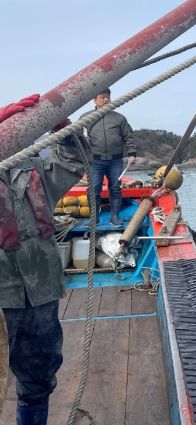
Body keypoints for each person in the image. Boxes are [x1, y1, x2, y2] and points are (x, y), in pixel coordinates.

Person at [0, 95, 89, 424]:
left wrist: (62, 128)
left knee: (38, 374)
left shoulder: (34, 169)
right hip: (3, 294)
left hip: (40, 290)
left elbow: (74, 161)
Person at [80, 88, 136, 226]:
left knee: (115, 188)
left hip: (115, 160)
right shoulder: (85, 118)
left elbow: (128, 137)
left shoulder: (119, 118)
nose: (106, 100)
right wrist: (84, 139)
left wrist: (132, 153)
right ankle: (94, 219)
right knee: (94, 189)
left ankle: (115, 217)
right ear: (94, 99)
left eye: (108, 97)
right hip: (95, 160)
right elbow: (77, 137)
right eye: (102, 97)